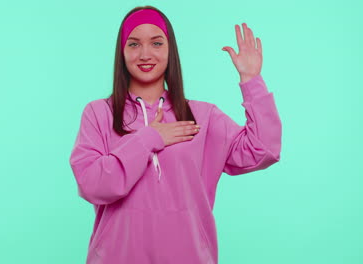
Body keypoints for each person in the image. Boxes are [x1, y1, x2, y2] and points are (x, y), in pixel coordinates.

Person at [69, 5, 281, 264]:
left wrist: (251, 80)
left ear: (170, 50)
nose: (145, 54)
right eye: (134, 44)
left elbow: (263, 150)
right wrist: (149, 138)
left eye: (156, 43)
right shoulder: (99, 113)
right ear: (122, 52)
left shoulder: (203, 116)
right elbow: (92, 183)